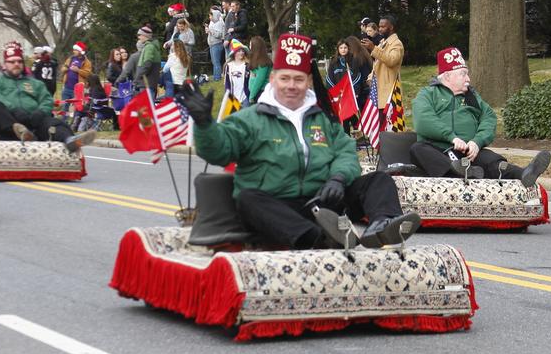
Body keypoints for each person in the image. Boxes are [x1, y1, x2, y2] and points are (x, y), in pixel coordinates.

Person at [176, 32, 420, 249]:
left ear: (308, 82)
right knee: (248, 198)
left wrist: (338, 178)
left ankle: (382, 226)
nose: (291, 86)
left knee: (377, 180)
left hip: (324, 200)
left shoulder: (321, 119)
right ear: (272, 78)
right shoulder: (250, 119)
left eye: (298, 79)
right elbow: (219, 151)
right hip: (278, 206)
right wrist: (205, 125)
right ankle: (318, 238)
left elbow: (345, 151)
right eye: (285, 78)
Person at [409, 47, 551, 184]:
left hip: (469, 153)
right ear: (447, 76)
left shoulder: (471, 96)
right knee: (418, 149)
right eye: (463, 74)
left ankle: (524, 173)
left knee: (492, 160)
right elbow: (423, 120)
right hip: (440, 151)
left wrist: (477, 141)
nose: (468, 79)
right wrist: (451, 137)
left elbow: (489, 117)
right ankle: (458, 171)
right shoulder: (428, 94)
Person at [0, 41, 97, 152]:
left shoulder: (35, 83)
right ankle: (21, 132)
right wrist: (13, 109)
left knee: (53, 122)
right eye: (12, 62)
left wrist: (41, 111)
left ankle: (70, 140)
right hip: (9, 122)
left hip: (33, 121)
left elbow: (47, 99)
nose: (16, 64)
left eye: (19, 61)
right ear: (5, 64)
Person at [361, 15, 404, 130]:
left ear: (391, 27)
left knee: (389, 128)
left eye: (383, 27)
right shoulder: (383, 43)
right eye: (379, 26)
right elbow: (377, 63)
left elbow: (391, 60)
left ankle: (387, 147)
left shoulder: (397, 44)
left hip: (390, 93)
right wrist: (370, 78)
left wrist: (373, 48)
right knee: (380, 127)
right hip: (379, 91)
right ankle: (382, 147)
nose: (380, 29)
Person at [133, 26, 163, 98]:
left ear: (145, 36)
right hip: (149, 83)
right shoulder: (151, 46)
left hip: (146, 83)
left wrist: (138, 77)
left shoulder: (149, 47)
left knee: (147, 107)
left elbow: (147, 64)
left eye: (139, 35)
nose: (138, 37)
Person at [247, 36, 273, 103]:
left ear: (255, 47)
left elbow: (259, 81)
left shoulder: (263, 63)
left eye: (250, 45)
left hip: (260, 92)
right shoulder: (255, 59)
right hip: (255, 92)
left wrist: (251, 96)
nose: (249, 46)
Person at [206, 5, 226, 82]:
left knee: (216, 62)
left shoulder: (219, 23)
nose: (210, 18)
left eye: (211, 16)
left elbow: (219, 35)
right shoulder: (213, 23)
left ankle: (217, 78)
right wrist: (208, 30)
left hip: (217, 44)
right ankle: (215, 77)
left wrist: (210, 31)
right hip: (212, 44)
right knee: (214, 62)